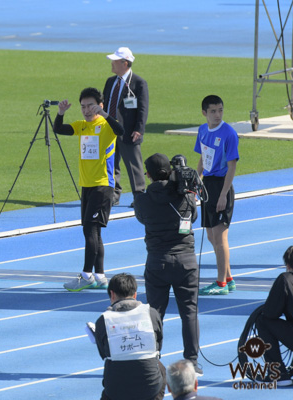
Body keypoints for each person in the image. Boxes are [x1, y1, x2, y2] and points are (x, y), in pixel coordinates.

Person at [134, 153, 203, 375]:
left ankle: (154, 360)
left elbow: (142, 218)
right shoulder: (184, 195)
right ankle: (192, 361)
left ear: (150, 175)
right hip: (186, 261)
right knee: (189, 312)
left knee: (155, 313)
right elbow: (193, 217)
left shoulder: (143, 199)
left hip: (157, 262)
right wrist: (182, 187)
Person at [53, 87, 124, 291]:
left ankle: (86, 275)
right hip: (87, 186)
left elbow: (121, 131)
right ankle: (100, 275)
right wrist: (60, 113)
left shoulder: (106, 125)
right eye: (83, 106)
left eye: (90, 106)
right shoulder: (82, 126)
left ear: (100, 105)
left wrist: (104, 114)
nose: (86, 110)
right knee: (94, 232)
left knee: (89, 229)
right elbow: (59, 129)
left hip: (103, 185)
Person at [88, 273, 165, 400]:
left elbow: (104, 354)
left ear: (112, 294)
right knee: (159, 366)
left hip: (116, 390)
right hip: (149, 388)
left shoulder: (104, 320)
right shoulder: (151, 314)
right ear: (135, 294)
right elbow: (158, 346)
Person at [194, 95, 239, 295]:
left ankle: (221, 283)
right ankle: (228, 278)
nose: (217, 115)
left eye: (220, 110)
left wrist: (223, 195)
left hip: (222, 186)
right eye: (213, 111)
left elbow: (232, 167)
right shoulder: (202, 130)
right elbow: (203, 158)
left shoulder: (229, 133)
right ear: (204, 113)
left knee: (220, 238)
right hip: (207, 187)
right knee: (211, 236)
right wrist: (195, 183)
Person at [102, 47, 149, 207]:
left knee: (134, 165)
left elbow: (143, 108)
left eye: (114, 61)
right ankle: (113, 195)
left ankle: (139, 196)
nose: (111, 64)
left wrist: (139, 129)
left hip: (129, 132)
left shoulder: (138, 83)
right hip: (109, 131)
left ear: (124, 63)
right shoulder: (110, 82)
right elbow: (105, 104)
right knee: (111, 164)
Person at [254, 245, 293, 386]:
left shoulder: (286, 279)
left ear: (288, 265)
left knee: (263, 321)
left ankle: (278, 374)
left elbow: (270, 312)